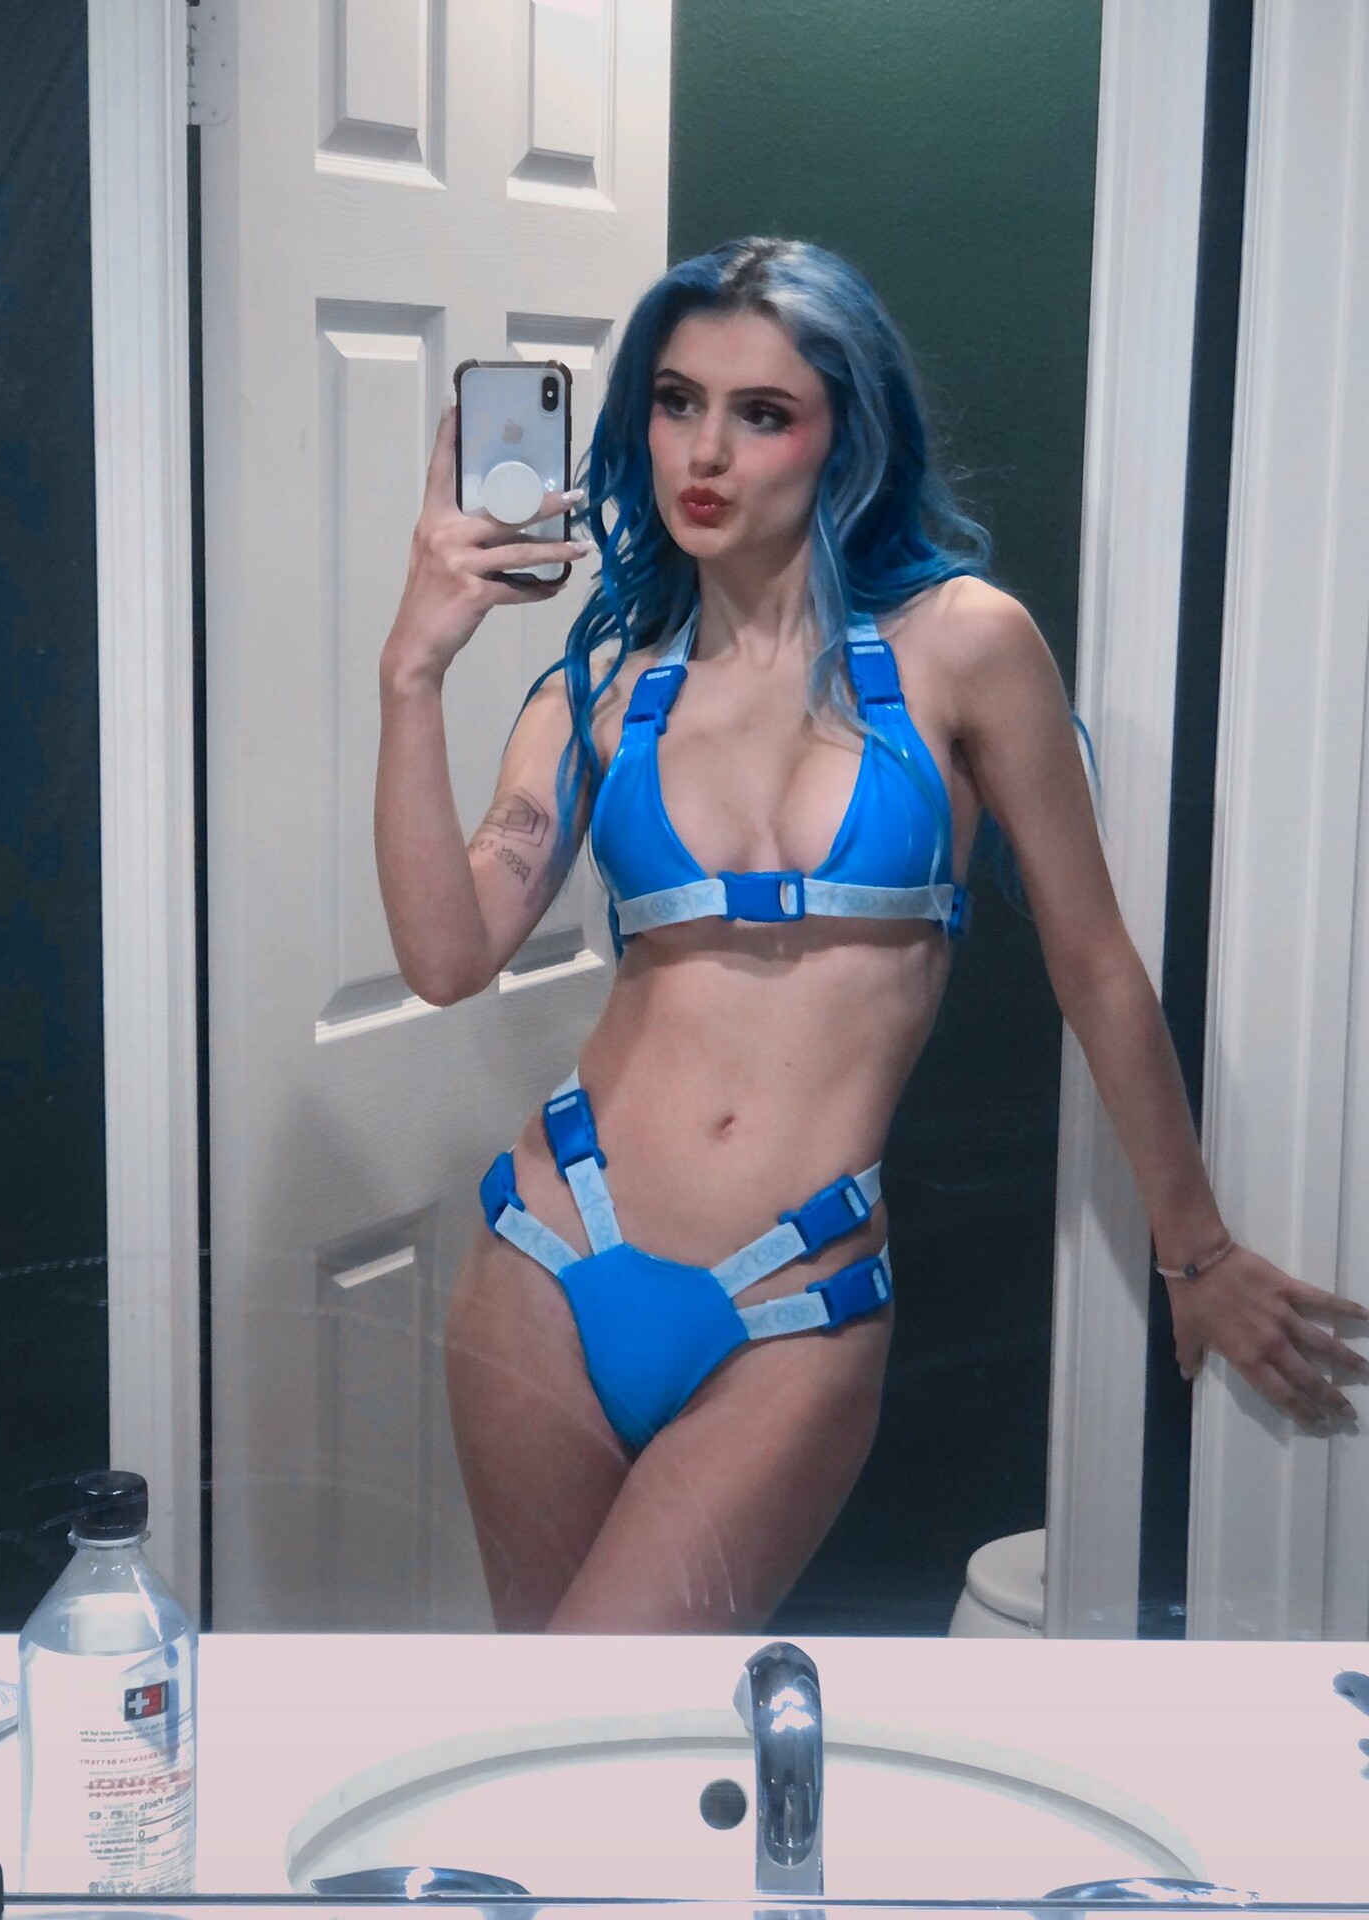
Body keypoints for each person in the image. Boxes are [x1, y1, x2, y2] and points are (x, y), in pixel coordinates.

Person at [375, 237, 1369, 1634]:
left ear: (844, 436)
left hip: (791, 1304)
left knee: (619, 1696)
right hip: (547, 1254)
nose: (704, 452)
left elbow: (1093, 964)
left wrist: (1194, 1252)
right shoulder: (601, 683)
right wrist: (413, 671)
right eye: (676, 401)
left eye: (762, 413)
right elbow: (444, 958)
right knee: (548, 1732)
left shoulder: (966, 648)